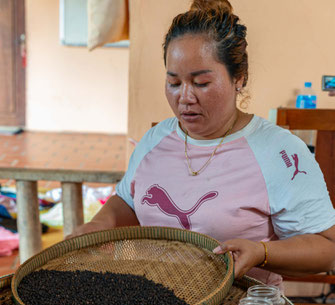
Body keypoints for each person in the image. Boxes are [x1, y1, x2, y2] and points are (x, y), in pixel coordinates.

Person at [69, 0, 335, 289]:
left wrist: (261, 252)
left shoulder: (278, 152)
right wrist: (99, 224)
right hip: (156, 303)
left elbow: (326, 248)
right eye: (174, 82)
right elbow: (130, 201)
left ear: (239, 78)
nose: (185, 97)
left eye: (201, 83)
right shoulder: (156, 140)